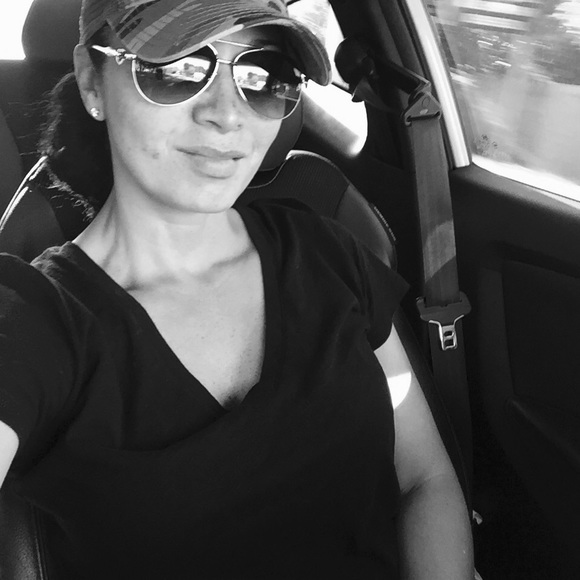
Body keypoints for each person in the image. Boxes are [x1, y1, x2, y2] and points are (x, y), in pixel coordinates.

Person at [0, 0, 473, 577]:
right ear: (91, 80)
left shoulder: (325, 250)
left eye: (264, 76)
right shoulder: (32, 319)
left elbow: (424, 478)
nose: (227, 114)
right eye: (175, 67)